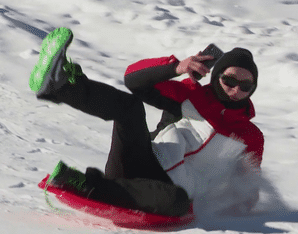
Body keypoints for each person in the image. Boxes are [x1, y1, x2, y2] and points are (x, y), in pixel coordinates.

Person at [30, 27, 264, 217]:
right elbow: (133, 80)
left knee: (178, 201)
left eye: (245, 86)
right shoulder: (189, 95)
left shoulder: (250, 136)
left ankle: (80, 183)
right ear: (217, 76)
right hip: (140, 163)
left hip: (167, 194)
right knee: (130, 107)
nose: (236, 90)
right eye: (229, 80)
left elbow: (246, 189)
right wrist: (176, 67)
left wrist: (224, 202)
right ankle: (59, 85)